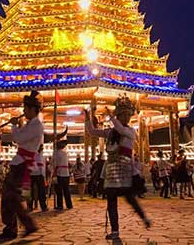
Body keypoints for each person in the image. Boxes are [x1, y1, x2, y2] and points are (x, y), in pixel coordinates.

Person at [85, 95, 151, 240]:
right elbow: (92, 131)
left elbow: (121, 129)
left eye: (128, 115)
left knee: (130, 198)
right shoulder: (110, 132)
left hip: (125, 169)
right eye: (124, 115)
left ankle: (144, 217)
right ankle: (115, 231)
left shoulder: (130, 131)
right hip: (111, 169)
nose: (126, 118)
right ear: (119, 115)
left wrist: (111, 117)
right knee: (111, 200)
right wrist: (88, 117)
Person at [0, 90, 43, 240]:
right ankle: (15, 227)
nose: (24, 111)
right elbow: (18, 137)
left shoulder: (37, 126)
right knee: (9, 197)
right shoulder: (30, 124)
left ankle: (22, 226)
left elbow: (19, 139)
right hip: (19, 163)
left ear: (33, 109)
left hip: (22, 164)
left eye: (26, 109)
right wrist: (1, 135)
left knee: (12, 196)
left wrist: (15, 126)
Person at [53, 139, 73, 210]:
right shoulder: (65, 153)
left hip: (60, 173)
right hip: (66, 173)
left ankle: (60, 205)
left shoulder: (56, 153)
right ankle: (69, 205)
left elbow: (54, 163)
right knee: (66, 190)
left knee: (59, 190)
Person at [29, 144, 48, 211]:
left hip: (31, 174)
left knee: (30, 191)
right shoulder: (40, 156)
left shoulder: (30, 155)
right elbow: (41, 167)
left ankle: (29, 206)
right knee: (41, 191)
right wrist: (43, 175)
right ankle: (43, 206)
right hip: (39, 174)